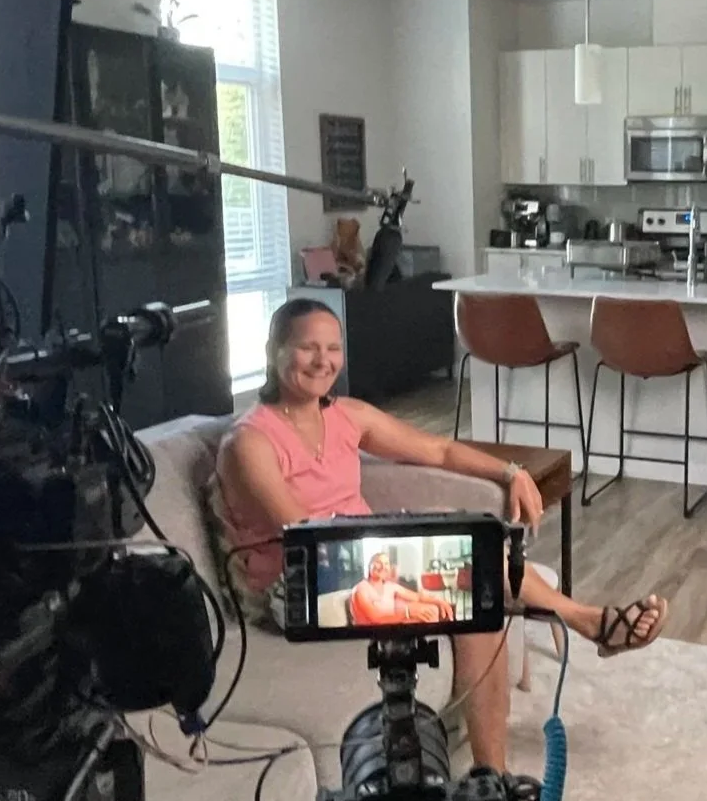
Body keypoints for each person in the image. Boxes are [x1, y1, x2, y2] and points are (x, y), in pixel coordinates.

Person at [215, 297, 667, 776]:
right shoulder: (250, 442)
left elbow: (439, 449)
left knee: (481, 597)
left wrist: (511, 471)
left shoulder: (344, 415)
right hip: (300, 588)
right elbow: (311, 537)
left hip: (366, 566)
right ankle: (589, 623)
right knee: (471, 569)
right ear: (274, 350)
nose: (323, 361)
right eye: (308, 348)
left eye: (333, 347)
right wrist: (414, 550)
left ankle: (493, 778)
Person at [348, 550, 453, 627]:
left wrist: (439, 601)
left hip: (391, 628)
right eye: (378, 562)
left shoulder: (390, 587)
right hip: (371, 634)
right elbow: (377, 619)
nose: (382, 566)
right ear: (369, 566)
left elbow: (417, 597)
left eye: (386, 564)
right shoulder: (361, 589)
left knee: (431, 612)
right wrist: (407, 613)